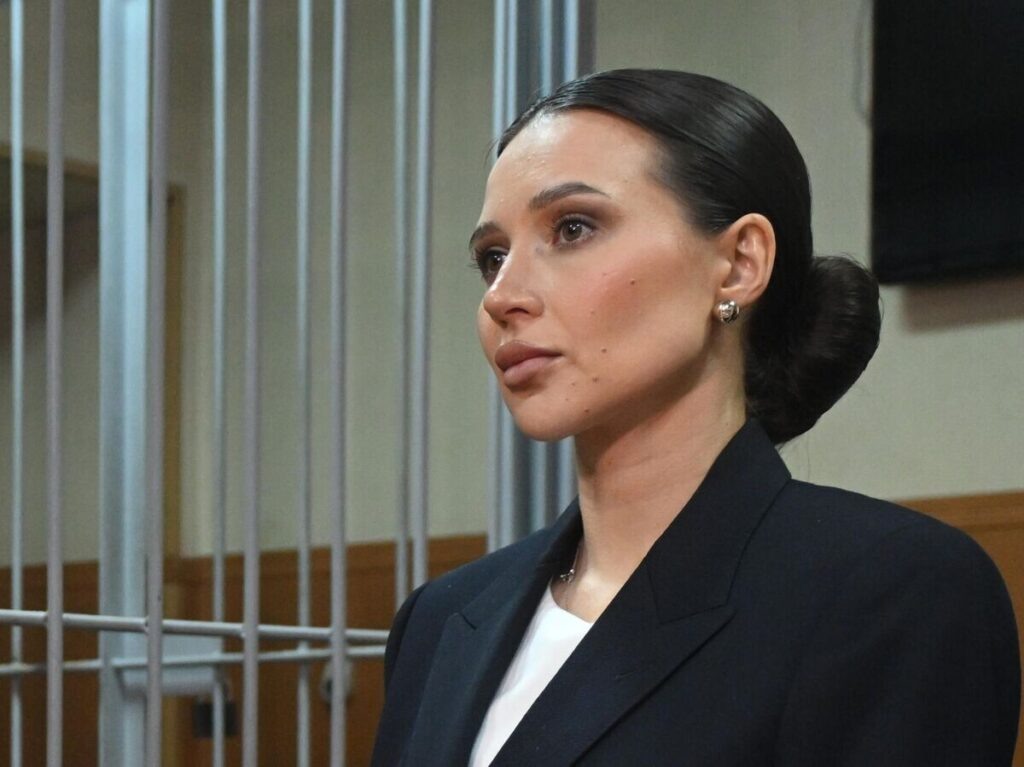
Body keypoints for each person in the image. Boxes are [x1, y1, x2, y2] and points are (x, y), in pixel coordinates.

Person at [370, 70, 1020, 766]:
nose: (503, 296)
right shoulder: (440, 622)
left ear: (739, 264)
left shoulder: (891, 590)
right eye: (492, 257)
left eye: (573, 228)